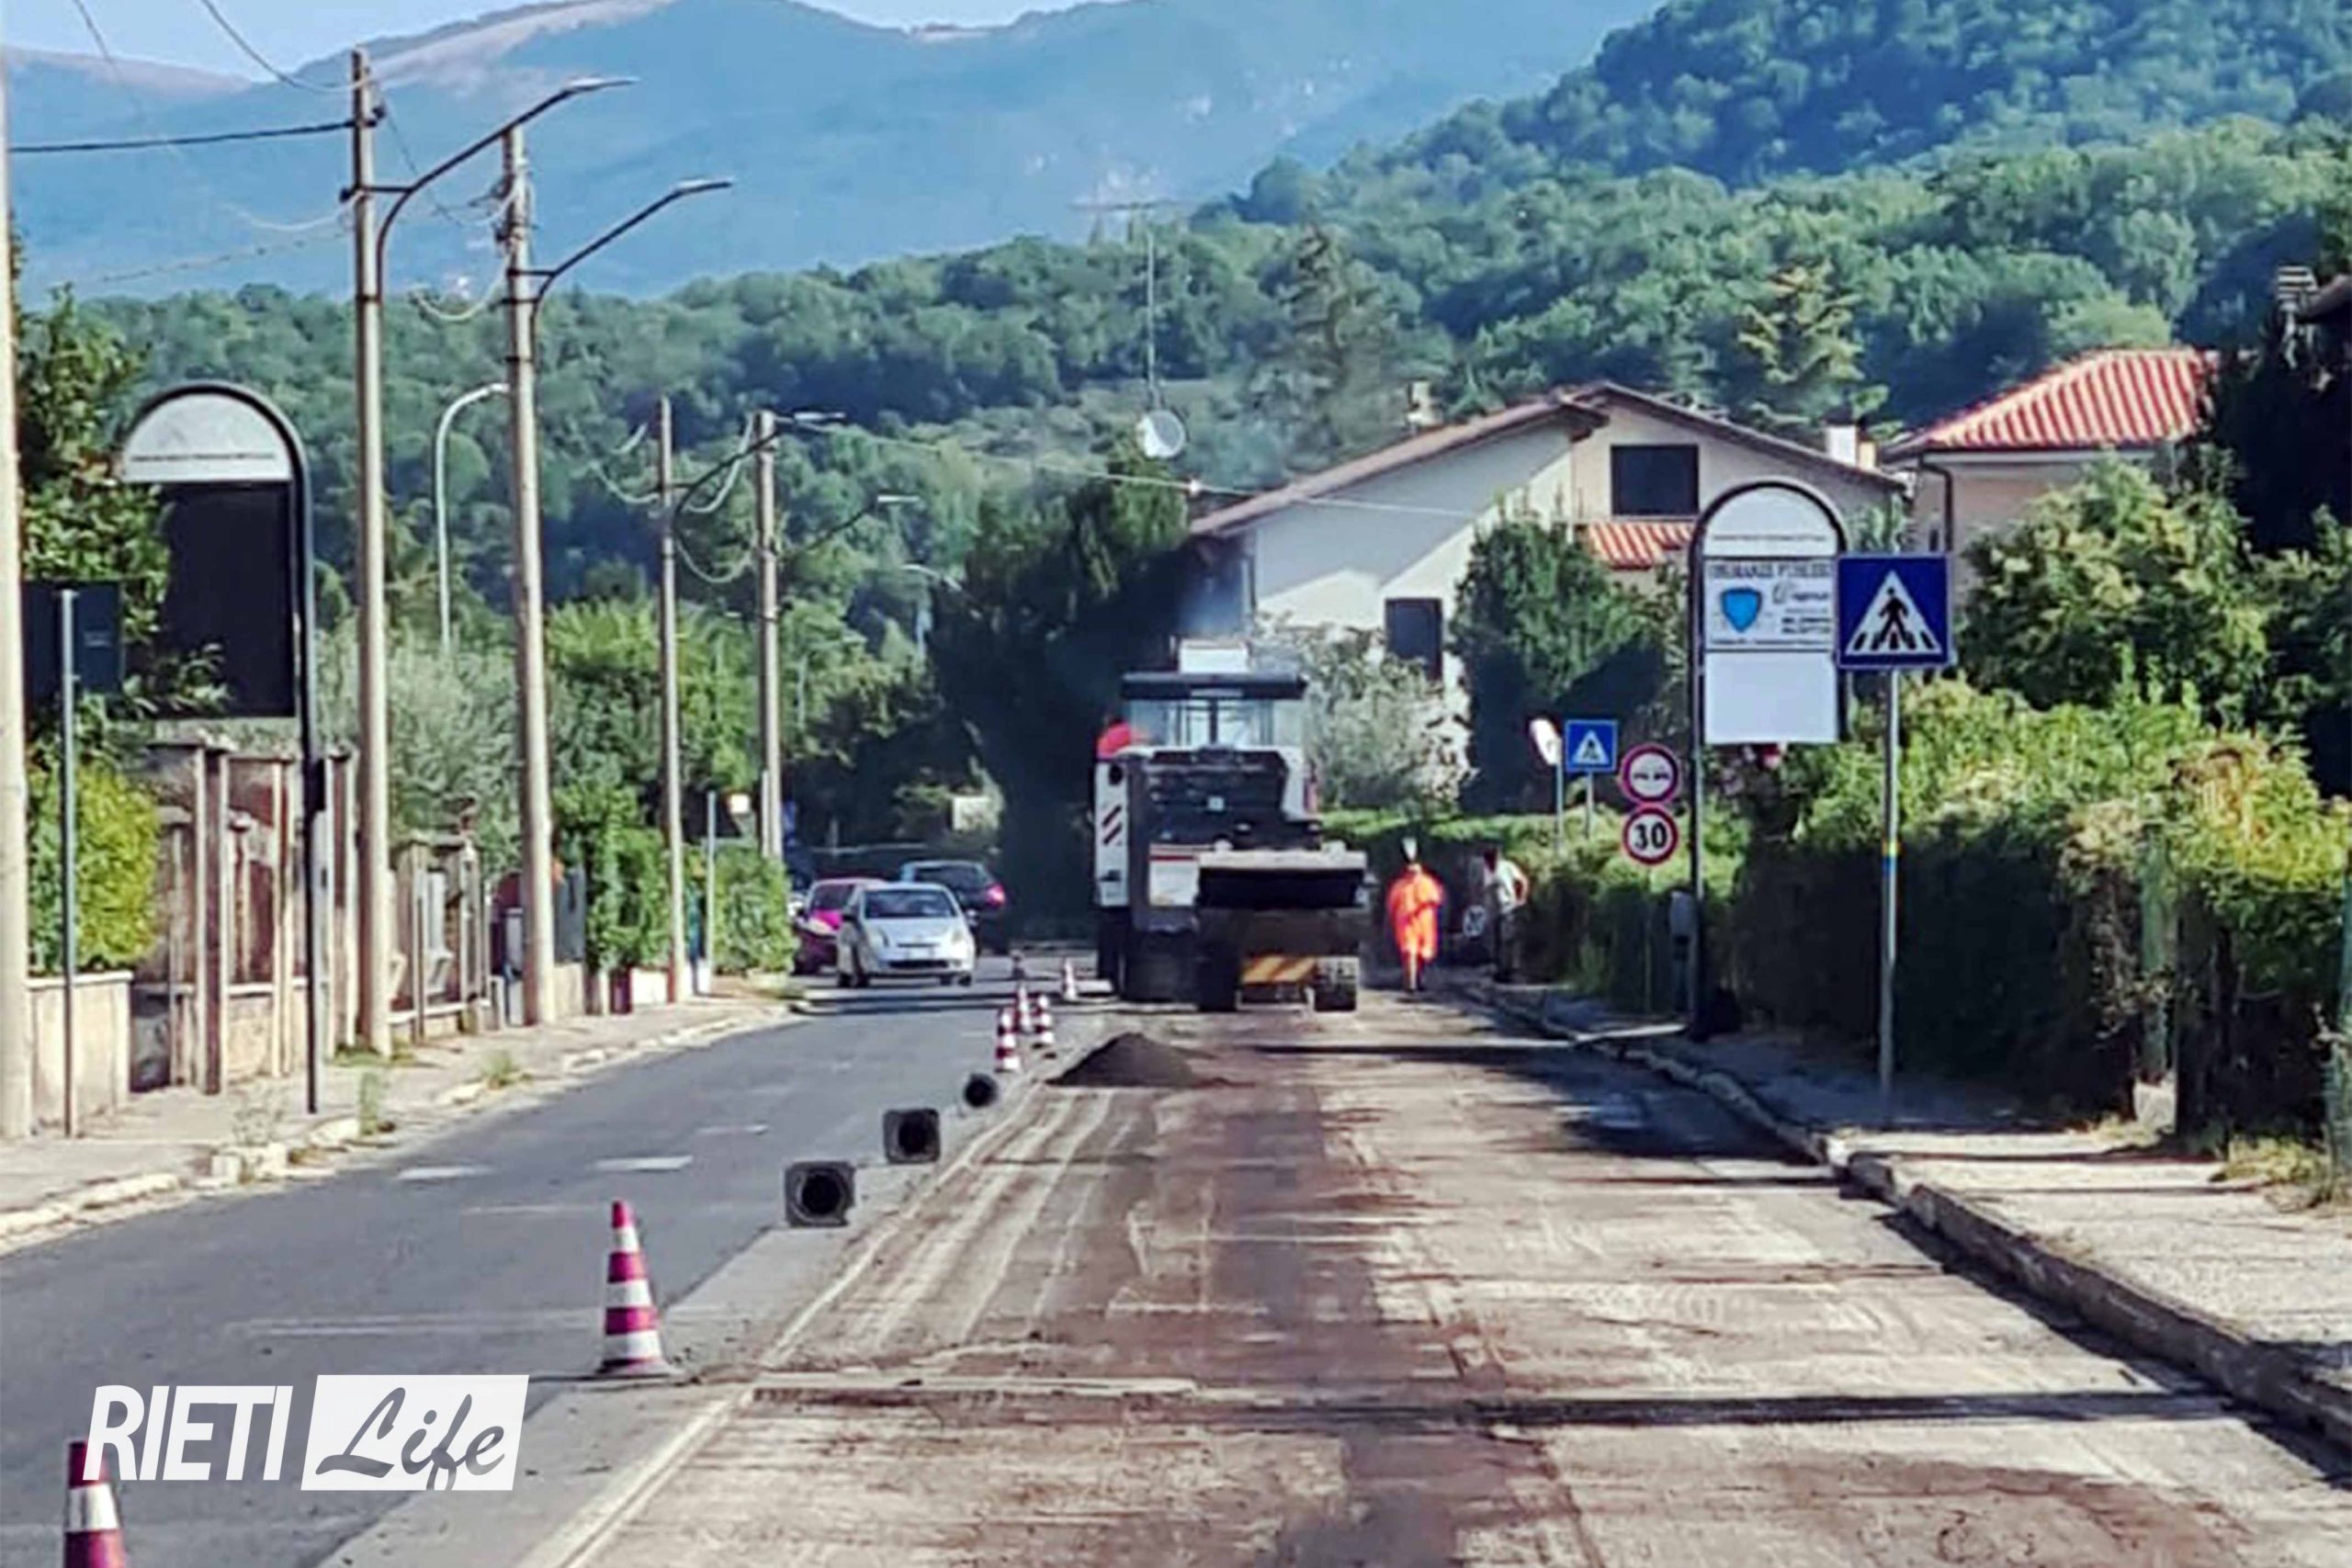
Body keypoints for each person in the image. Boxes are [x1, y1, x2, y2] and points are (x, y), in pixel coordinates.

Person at [1385, 842, 1445, 995]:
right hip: (1406, 923)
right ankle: (1411, 983)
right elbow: (1392, 905)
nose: (1413, 871)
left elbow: (1436, 900)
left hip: (1424, 923)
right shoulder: (1400, 885)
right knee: (1410, 951)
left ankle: (1420, 978)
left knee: (1424, 954)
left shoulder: (1427, 882)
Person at [1479, 845, 1531, 982]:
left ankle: (1511, 969)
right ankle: (1499, 969)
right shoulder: (1487, 870)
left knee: (1508, 939)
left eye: (1492, 860)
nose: (1490, 863)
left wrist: (1522, 899)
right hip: (1493, 910)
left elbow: (1522, 880)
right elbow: (1486, 890)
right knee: (1495, 942)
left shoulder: (1507, 867)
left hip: (1508, 907)